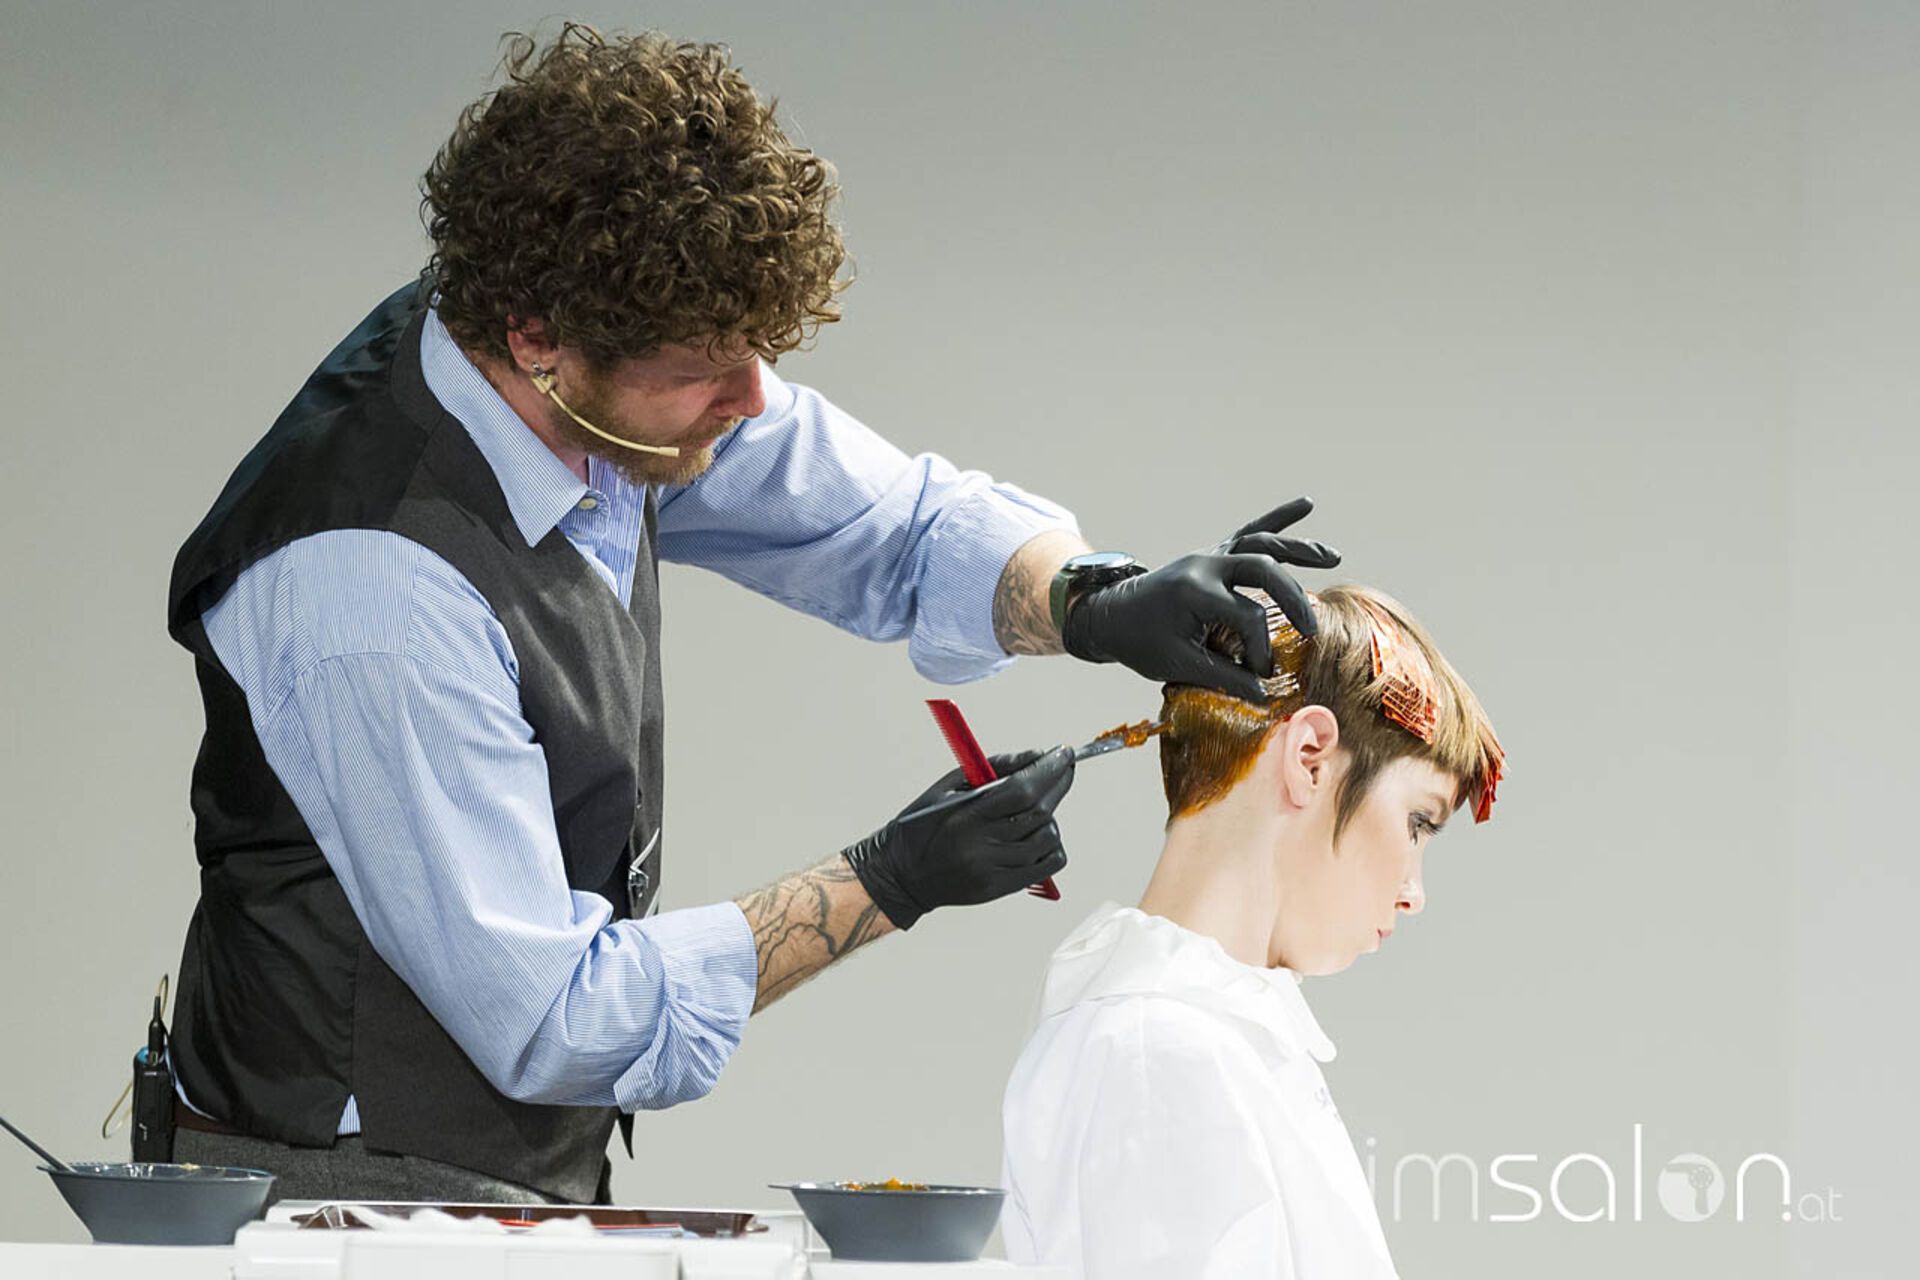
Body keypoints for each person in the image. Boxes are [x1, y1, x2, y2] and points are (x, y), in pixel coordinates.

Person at [160, 25, 1342, 1204]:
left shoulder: (579, 363)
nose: (755, 399)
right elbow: (555, 1017)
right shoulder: (377, 587)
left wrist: (1091, 597)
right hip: (342, 1200)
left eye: (758, 352)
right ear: (538, 338)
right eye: (707, 368)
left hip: (515, 1173)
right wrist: (887, 878)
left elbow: (889, 522)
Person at [1000, 585, 1505, 1278]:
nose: (1414, 894)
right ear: (1310, 758)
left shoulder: (1204, 1037)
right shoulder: (1159, 1053)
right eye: (1418, 822)